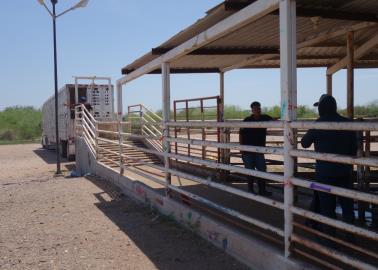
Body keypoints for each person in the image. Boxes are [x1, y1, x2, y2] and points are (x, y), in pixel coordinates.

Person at [301, 94, 357, 237]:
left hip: (324, 173)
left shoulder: (318, 124)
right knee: (347, 206)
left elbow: (304, 143)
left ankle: (330, 239)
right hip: (344, 171)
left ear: (321, 108)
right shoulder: (347, 123)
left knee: (327, 208)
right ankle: (350, 238)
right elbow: (353, 148)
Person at [239, 101, 272, 196]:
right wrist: (241, 147)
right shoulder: (247, 120)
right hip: (247, 150)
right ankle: (251, 190)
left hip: (259, 150)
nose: (258, 110)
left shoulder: (265, 117)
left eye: (259, 108)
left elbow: (275, 120)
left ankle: (262, 190)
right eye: (256, 108)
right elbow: (240, 133)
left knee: (262, 170)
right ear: (252, 110)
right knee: (250, 171)